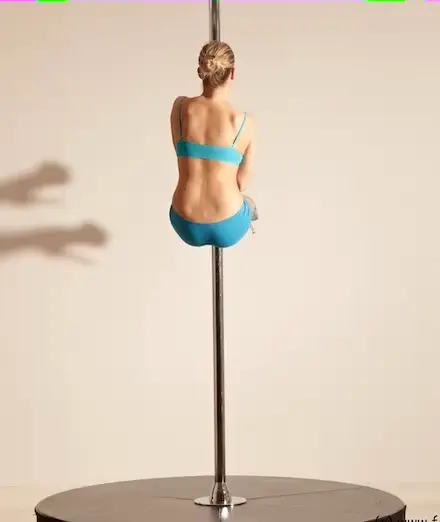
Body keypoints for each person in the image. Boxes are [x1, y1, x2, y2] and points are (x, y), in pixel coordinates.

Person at [169, 41, 256, 248]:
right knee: (250, 204)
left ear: (200, 71)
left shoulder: (180, 107)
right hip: (228, 224)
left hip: (184, 221)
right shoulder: (244, 122)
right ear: (232, 74)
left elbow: (179, 151)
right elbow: (242, 183)